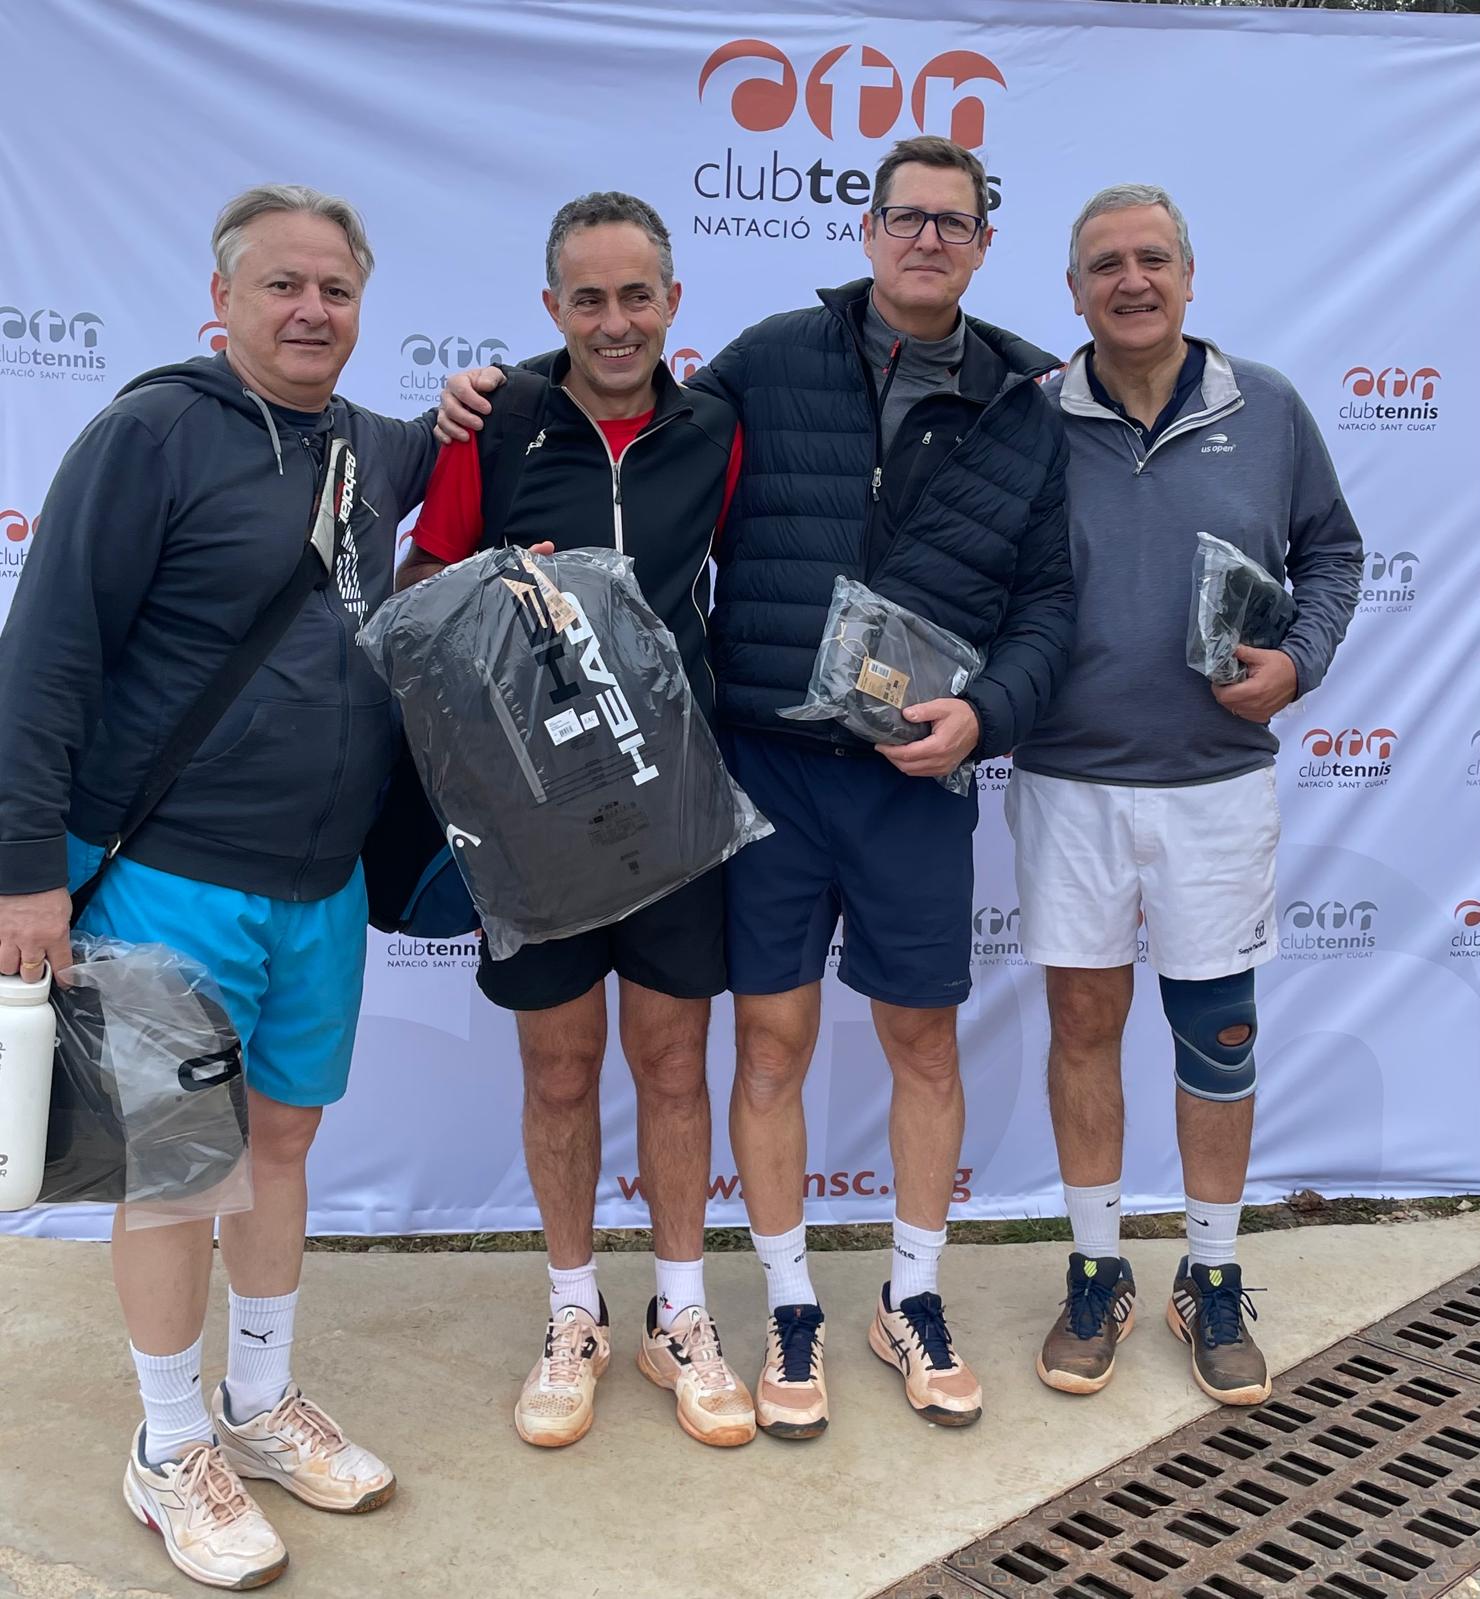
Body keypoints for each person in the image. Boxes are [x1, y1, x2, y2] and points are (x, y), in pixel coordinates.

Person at [440, 136, 1073, 1437]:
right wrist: (475, 401)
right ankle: (742, 1306)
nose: (927, 238)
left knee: (893, 1044)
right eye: (906, 216)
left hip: (875, 779)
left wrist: (988, 713)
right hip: (733, 774)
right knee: (709, 1051)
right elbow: (596, 402)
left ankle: (887, 1299)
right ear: (869, 229)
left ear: (982, 242)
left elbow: (1052, 599)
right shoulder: (756, 368)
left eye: (952, 221)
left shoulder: (1022, 395)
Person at [0, 185, 439, 1587]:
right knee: (179, 1171)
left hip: (322, 884)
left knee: (283, 1147)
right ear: (223, 300)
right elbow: (44, 655)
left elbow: (479, 434)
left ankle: (256, 1401)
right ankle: (169, 1439)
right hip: (165, 879)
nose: (312, 310)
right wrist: (23, 873)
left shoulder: (373, 448)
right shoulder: (152, 433)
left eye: (336, 290)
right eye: (283, 286)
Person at [402, 192, 755, 1449]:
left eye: (636, 296)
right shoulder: (493, 421)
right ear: (552, 307)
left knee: (672, 1066)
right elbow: (421, 580)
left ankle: (680, 1314)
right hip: (532, 813)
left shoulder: (715, 430)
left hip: (674, 804)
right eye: (589, 299)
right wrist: (501, 598)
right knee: (558, 1071)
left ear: (672, 302)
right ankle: (571, 1315)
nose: (615, 323)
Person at [1011, 183, 1362, 1406]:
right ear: (1072, 292)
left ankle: (1210, 1275)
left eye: (1151, 258)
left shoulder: (1267, 407)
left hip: (1215, 783)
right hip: (1066, 778)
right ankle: (1094, 1270)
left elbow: (1333, 552)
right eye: (1105, 263)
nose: (1131, 281)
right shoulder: (1029, 417)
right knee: (1082, 1030)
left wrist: (1299, 662)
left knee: (1219, 1034)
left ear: (1188, 276)